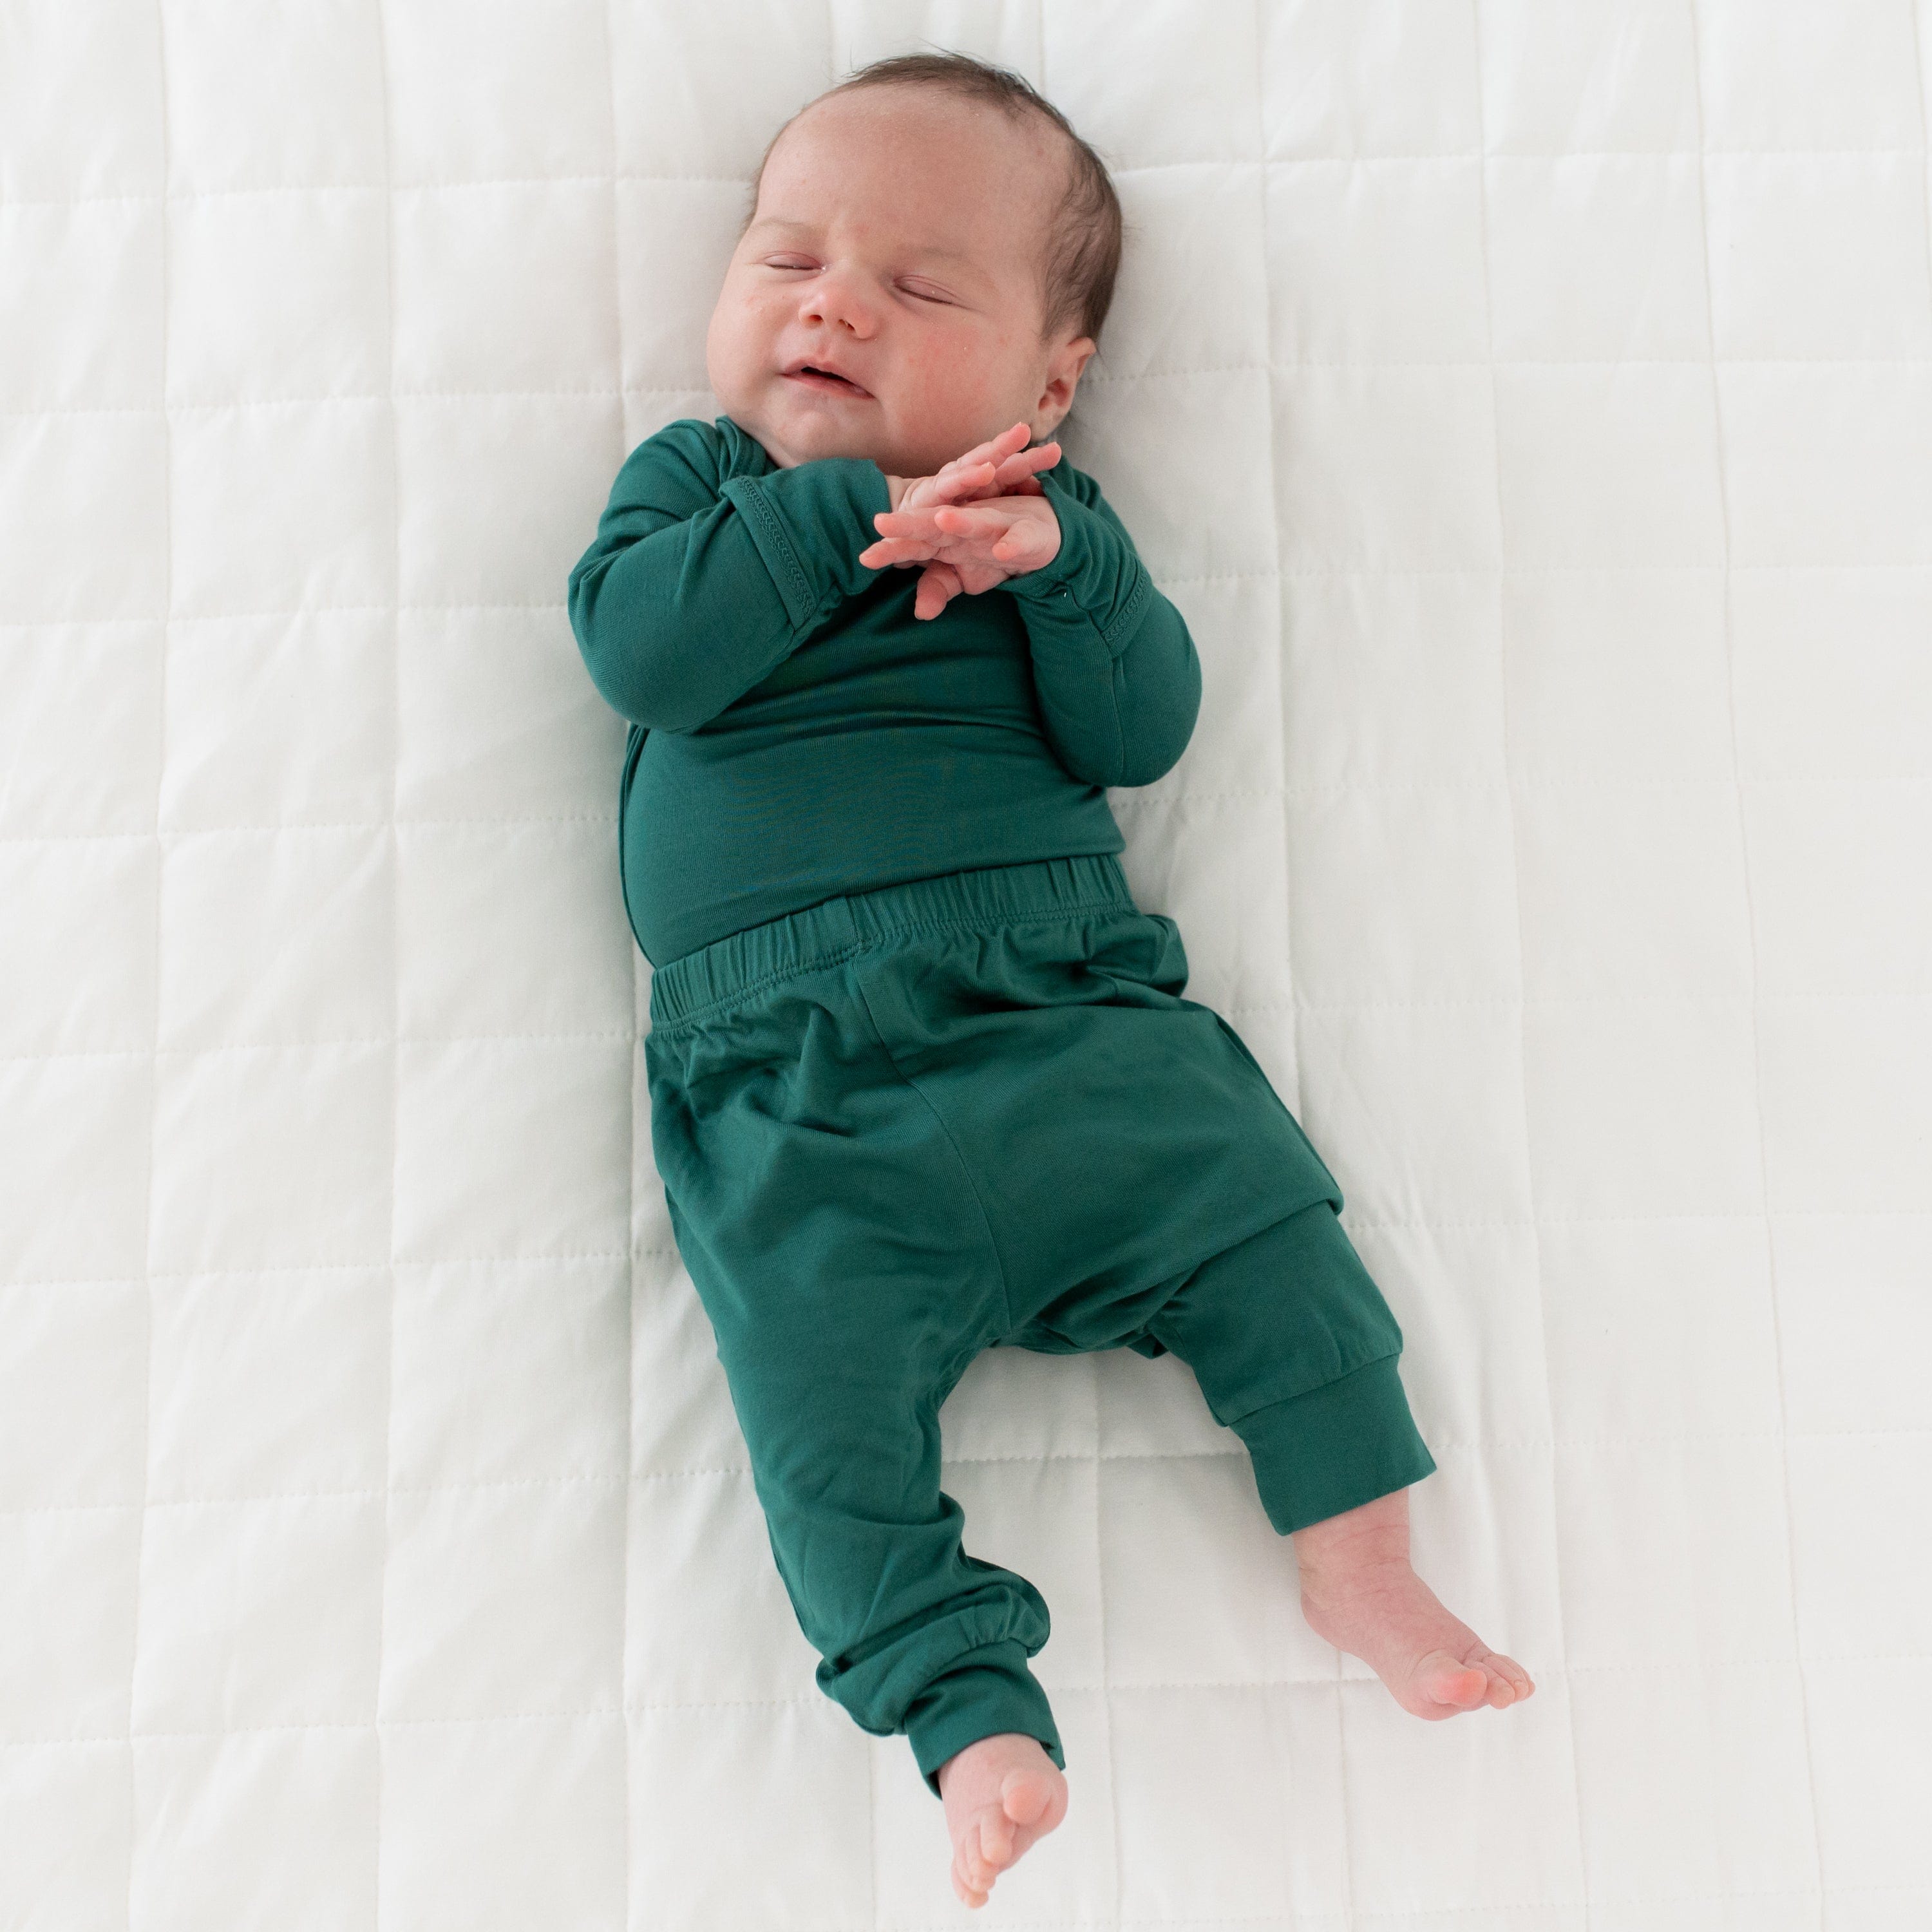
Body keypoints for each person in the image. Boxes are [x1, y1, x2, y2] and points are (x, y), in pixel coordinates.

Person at [568, 49, 1533, 1913]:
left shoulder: (1045, 520)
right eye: (788, 262)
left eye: (921, 288)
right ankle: (965, 1714)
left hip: (1067, 1016)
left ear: (1050, 382)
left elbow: (1146, 726)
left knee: (1271, 1226)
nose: (835, 300)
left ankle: (1362, 1559)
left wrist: (1051, 563)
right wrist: (831, 503)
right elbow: (645, 656)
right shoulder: (698, 489)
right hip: (790, 1096)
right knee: (813, 1431)